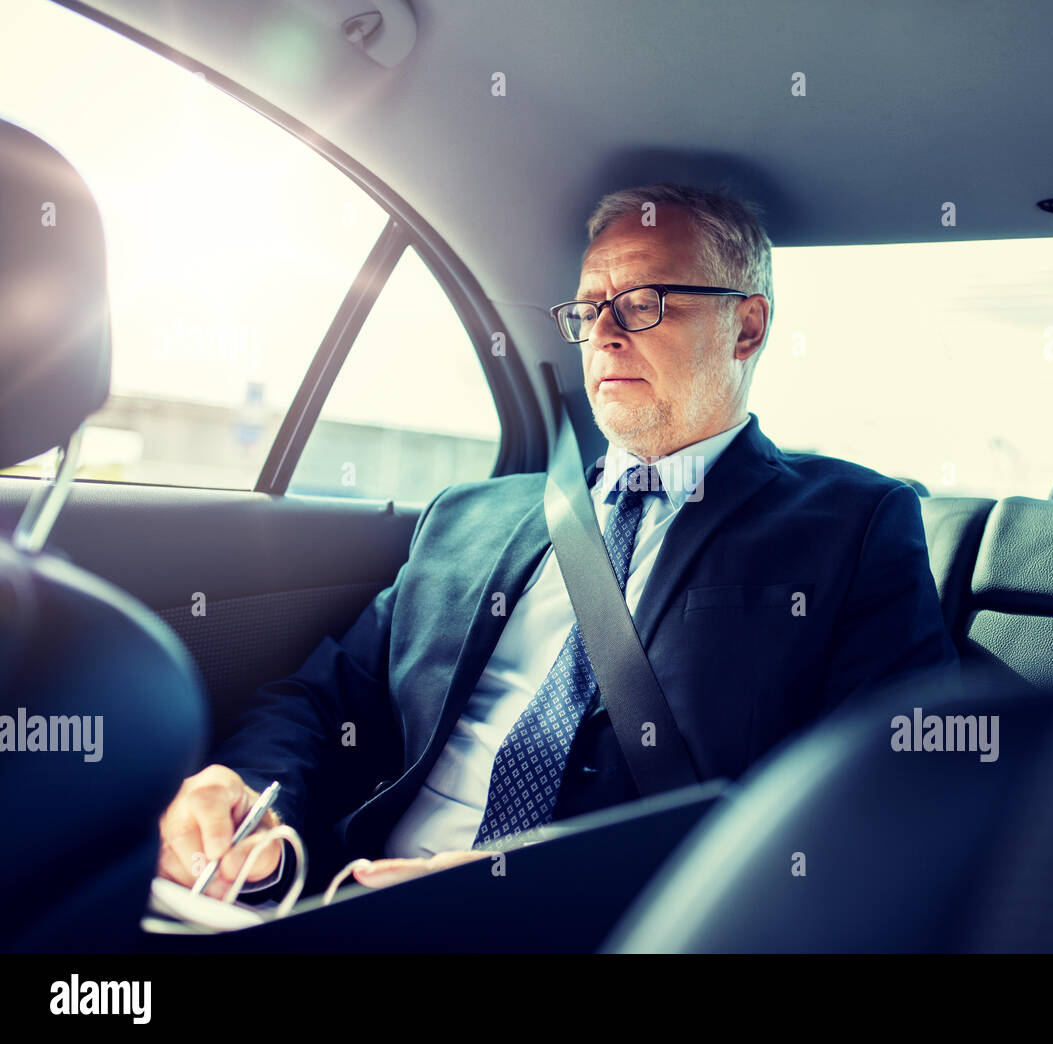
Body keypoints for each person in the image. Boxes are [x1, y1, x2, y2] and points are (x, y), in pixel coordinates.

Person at [155, 182, 960, 900]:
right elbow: (324, 699)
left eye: (644, 301)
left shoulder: (853, 523)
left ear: (746, 326)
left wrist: (534, 879)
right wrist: (243, 788)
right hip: (352, 901)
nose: (604, 333)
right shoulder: (468, 518)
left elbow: (883, 789)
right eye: (587, 309)